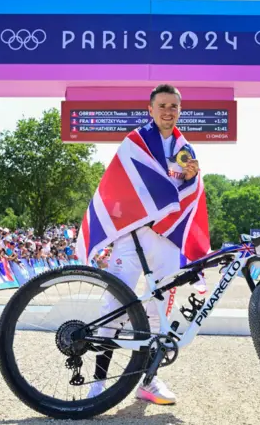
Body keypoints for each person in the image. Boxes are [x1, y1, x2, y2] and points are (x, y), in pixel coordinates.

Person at [77, 84, 210, 405]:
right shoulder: (134, 142)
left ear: (180, 110)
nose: (168, 111)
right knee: (115, 307)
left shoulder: (184, 147)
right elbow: (121, 185)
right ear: (150, 109)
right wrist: (170, 180)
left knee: (158, 311)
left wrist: (192, 176)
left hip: (166, 239)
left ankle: (148, 380)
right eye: (162, 105)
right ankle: (98, 382)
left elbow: (189, 191)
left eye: (174, 107)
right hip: (132, 235)